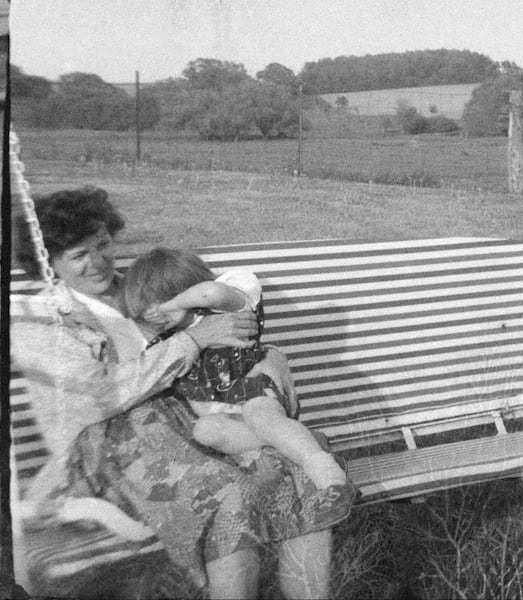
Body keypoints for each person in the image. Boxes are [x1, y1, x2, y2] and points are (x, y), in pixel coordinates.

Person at [10, 186, 351, 599]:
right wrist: (194, 341)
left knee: (296, 475)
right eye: (79, 255)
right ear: (49, 263)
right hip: (108, 444)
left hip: (189, 420)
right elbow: (102, 394)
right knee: (227, 495)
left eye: (102, 245)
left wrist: (265, 360)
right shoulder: (39, 322)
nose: (98, 262)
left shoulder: (141, 287)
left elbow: (227, 322)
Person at [122, 247, 350, 491]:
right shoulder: (170, 343)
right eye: (147, 309)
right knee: (205, 432)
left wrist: (173, 304)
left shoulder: (227, 308)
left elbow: (211, 292)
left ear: (184, 287)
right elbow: (146, 373)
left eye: (157, 303)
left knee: (261, 418)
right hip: (224, 413)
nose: (153, 313)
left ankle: (320, 466)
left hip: (254, 388)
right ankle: (307, 441)